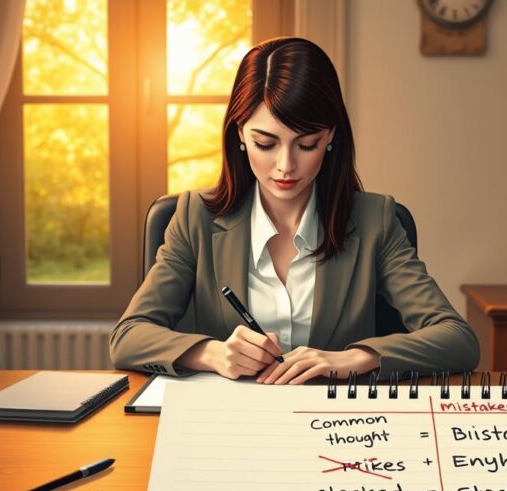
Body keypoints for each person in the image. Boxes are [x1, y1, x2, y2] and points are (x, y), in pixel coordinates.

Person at [109, 37, 479, 384]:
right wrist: (213, 353)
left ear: (331, 136)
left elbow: (457, 339)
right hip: (225, 428)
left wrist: (358, 357)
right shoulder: (195, 218)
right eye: (265, 143)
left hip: (335, 430)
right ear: (239, 133)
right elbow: (128, 337)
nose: (286, 166)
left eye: (307, 144)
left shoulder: (374, 221)